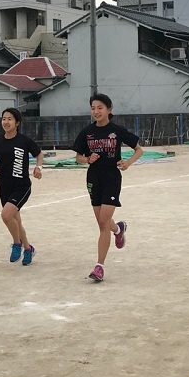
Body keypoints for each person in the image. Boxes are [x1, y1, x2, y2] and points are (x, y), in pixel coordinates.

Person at [73, 93, 143, 282]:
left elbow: (139, 149)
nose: (96, 111)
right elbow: (78, 157)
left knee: (104, 221)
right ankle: (118, 230)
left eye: (100, 108)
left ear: (109, 110)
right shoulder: (87, 132)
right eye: (93, 108)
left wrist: (128, 162)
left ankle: (99, 267)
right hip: (93, 178)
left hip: (112, 178)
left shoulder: (117, 130)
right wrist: (87, 159)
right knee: (103, 222)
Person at [0, 108, 43, 266]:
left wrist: (38, 167)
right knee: (15, 220)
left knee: (6, 215)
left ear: (17, 122)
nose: (6, 122)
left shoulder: (24, 141)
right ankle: (28, 248)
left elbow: (39, 154)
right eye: (4, 119)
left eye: (10, 119)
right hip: (4, 185)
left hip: (21, 185)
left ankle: (16, 244)